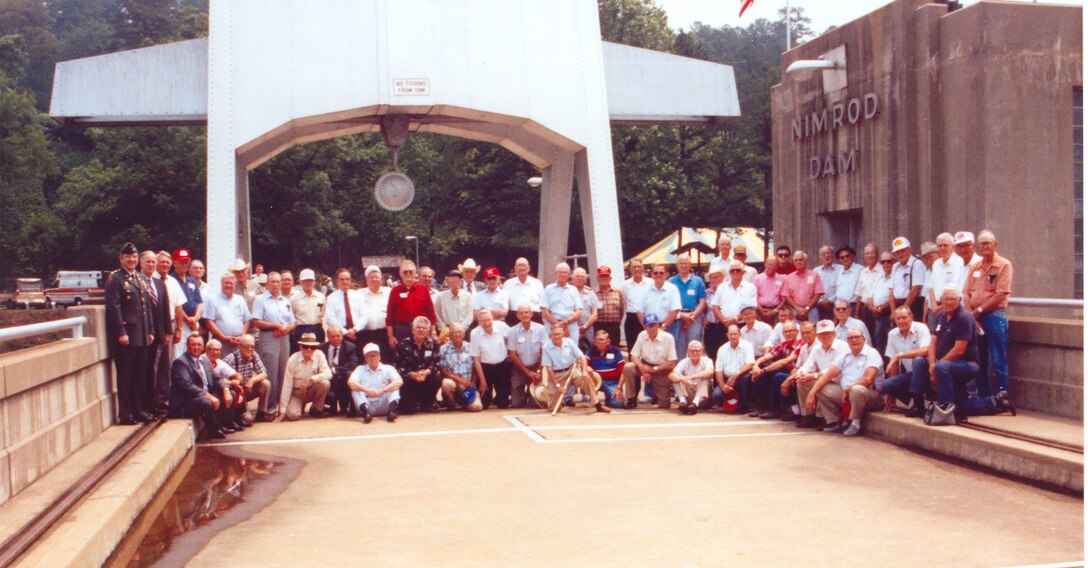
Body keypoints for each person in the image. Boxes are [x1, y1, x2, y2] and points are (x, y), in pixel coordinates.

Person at [930, 284, 997, 422]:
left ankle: (945, 411)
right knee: (920, 362)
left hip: (967, 364)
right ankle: (994, 402)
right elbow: (932, 343)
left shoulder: (964, 317)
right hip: (948, 363)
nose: (949, 302)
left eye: (952, 299)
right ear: (941, 300)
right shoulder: (941, 316)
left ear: (959, 299)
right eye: (946, 299)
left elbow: (959, 350)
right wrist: (931, 364)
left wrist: (937, 365)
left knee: (942, 367)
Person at [963, 230, 1014, 411]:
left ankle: (1002, 396)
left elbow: (1001, 294)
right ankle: (985, 398)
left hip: (994, 317)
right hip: (975, 319)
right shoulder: (975, 267)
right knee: (980, 359)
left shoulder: (1003, 265)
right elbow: (966, 292)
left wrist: (979, 311)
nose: (984, 246)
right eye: (981, 243)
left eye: (988, 243)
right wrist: (972, 315)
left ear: (995, 244)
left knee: (998, 358)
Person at [106, 243, 154, 424]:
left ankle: (139, 410)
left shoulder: (141, 278)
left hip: (141, 335)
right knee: (126, 376)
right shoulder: (115, 279)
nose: (132, 260)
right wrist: (120, 331)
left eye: (134, 257)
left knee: (140, 375)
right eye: (128, 257)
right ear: (121, 259)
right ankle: (126, 414)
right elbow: (114, 307)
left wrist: (150, 329)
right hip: (127, 336)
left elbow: (146, 306)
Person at [809, 328, 886, 436]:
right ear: (847, 341)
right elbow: (827, 376)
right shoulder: (844, 356)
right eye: (850, 338)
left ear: (864, 339)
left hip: (871, 395)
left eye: (857, 337)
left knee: (857, 390)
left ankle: (855, 423)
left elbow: (868, 380)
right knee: (820, 387)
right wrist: (812, 393)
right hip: (848, 394)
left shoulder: (872, 353)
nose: (854, 340)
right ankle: (836, 421)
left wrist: (848, 390)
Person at [252, 271, 295, 416]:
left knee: (283, 373)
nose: (276, 284)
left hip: (284, 338)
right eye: (273, 282)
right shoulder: (260, 299)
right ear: (268, 284)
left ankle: (280, 408)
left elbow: (293, 322)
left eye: (278, 282)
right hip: (269, 337)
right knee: (270, 374)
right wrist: (275, 326)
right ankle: (266, 409)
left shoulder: (285, 300)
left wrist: (287, 328)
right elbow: (256, 321)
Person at [541, 324, 610, 413]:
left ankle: (598, 405)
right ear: (550, 335)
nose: (556, 336)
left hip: (572, 370)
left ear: (562, 335)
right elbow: (549, 368)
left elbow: (582, 357)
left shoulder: (569, 342)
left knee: (587, 380)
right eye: (554, 334)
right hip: (556, 375)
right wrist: (557, 385)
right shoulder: (546, 347)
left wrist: (584, 371)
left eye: (558, 334)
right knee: (553, 408)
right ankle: (560, 402)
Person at [794, 320, 849, 430]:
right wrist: (801, 374)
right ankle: (809, 415)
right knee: (803, 381)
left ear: (834, 334)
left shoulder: (843, 347)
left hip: (842, 387)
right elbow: (808, 365)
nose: (825, 336)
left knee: (819, 386)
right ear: (817, 336)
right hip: (826, 383)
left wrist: (814, 376)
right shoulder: (817, 347)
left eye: (828, 333)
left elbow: (833, 371)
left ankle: (832, 420)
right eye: (822, 334)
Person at [169, 334, 227, 439]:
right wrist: (207, 395)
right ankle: (214, 430)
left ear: (203, 347)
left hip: (200, 396)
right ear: (187, 345)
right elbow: (187, 385)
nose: (196, 347)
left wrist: (226, 389)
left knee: (228, 393)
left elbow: (216, 378)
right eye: (193, 344)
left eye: (199, 345)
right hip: (184, 405)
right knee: (205, 402)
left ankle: (226, 422)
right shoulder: (180, 362)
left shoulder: (204, 360)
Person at [879, 307, 932, 418]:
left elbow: (926, 350)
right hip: (911, 375)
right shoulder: (892, 334)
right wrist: (891, 394)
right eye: (898, 318)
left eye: (904, 317)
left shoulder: (921, 328)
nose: (901, 321)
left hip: (928, 373)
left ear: (911, 317)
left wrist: (900, 355)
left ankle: (918, 404)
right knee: (886, 385)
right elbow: (893, 364)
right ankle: (918, 402)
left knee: (918, 360)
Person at [141, 251, 175, 417]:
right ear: (141, 264)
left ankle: (161, 401)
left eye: (153, 262)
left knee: (163, 368)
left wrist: (168, 331)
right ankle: (150, 402)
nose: (151, 265)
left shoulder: (159, 284)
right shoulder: (138, 282)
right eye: (148, 262)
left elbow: (166, 308)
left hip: (161, 334)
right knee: (149, 370)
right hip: (146, 334)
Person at [620, 313, 677, 409]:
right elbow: (634, 355)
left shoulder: (668, 338)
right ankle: (631, 398)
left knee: (664, 405)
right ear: (645, 327)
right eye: (649, 326)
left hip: (661, 368)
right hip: (645, 365)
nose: (652, 328)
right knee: (628, 367)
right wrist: (642, 367)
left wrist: (652, 369)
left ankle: (656, 395)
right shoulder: (642, 335)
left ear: (658, 325)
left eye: (654, 325)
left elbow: (671, 363)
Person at [750, 320, 804, 419]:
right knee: (762, 372)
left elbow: (785, 361)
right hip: (789, 371)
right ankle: (761, 407)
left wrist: (764, 370)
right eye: (786, 332)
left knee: (777, 376)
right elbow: (766, 356)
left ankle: (781, 410)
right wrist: (756, 366)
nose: (788, 333)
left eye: (791, 331)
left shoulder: (801, 344)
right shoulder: (784, 344)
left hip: (798, 373)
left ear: (797, 332)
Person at [273, 332, 332, 421]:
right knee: (292, 416)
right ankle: (299, 406)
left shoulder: (319, 354)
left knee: (325, 383)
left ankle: (316, 409)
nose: (309, 350)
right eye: (305, 346)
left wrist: (310, 378)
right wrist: (282, 410)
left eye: (312, 347)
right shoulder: (292, 360)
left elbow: (328, 373)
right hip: (296, 393)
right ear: (300, 347)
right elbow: (287, 385)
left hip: (311, 389)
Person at [395, 316, 442, 414]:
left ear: (428, 330)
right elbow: (398, 366)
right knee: (409, 410)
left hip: (426, 378)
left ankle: (427, 404)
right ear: (413, 329)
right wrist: (411, 374)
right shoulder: (403, 344)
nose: (421, 330)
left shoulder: (433, 344)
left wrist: (426, 372)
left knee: (436, 378)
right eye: (418, 327)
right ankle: (410, 403)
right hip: (409, 380)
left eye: (424, 328)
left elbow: (437, 364)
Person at [386, 260, 438, 348]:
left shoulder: (423, 290)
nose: (408, 274)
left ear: (415, 273)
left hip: (421, 330)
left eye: (410, 272)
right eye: (405, 272)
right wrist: (390, 336)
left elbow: (431, 313)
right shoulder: (394, 291)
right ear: (400, 274)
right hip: (401, 331)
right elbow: (389, 315)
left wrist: (433, 332)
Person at [223, 334, 272, 422]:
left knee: (266, 384)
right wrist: (231, 383)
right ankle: (238, 413)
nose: (250, 349)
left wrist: (252, 380)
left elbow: (264, 373)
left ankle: (261, 413)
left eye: (252, 347)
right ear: (240, 346)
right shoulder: (230, 359)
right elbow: (219, 379)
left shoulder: (253, 354)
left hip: (247, 389)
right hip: (236, 393)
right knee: (248, 420)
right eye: (247, 346)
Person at [202, 339, 248, 432]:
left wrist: (236, 381)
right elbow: (213, 380)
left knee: (235, 390)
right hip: (206, 390)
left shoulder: (219, 362)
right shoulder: (202, 360)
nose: (215, 352)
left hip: (218, 387)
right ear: (206, 350)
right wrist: (230, 383)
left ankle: (234, 418)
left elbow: (237, 375)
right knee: (228, 392)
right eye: (212, 349)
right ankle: (223, 422)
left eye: (217, 350)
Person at [203, 272, 253, 359]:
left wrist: (241, 336)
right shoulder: (212, 299)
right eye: (226, 283)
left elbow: (247, 320)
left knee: (238, 369)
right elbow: (209, 322)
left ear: (235, 284)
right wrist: (223, 337)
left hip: (239, 343)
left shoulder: (240, 299)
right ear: (221, 284)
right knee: (221, 368)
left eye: (231, 283)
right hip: (220, 343)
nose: (228, 285)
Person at [348, 343, 402, 423]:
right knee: (355, 390)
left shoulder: (388, 368)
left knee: (394, 387)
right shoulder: (360, 369)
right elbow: (350, 382)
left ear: (379, 357)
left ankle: (391, 412)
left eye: (375, 355)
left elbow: (399, 381)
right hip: (367, 402)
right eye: (369, 356)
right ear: (365, 359)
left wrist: (383, 390)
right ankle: (366, 413)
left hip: (383, 403)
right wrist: (367, 390)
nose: (372, 358)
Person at [507, 305, 547, 408]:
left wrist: (538, 372)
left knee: (535, 405)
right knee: (516, 404)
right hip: (519, 367)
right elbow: (512, 355)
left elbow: (543, 352)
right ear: (517, 316)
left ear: (531, 314)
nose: (524, 315)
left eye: (526, 312)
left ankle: (531, 394)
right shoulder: (512, 331)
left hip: (536, 366)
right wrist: (527, 372)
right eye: (521, 313)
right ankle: (524, 395)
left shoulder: (541, 329)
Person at [667, 253, 707, 359]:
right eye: (681, 263)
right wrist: (681, 315)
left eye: (686, 263)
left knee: (695, 347)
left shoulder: (698, 280)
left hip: (694, 317)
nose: (683, 265)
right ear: (677, 265)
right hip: (677, 318)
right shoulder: (670, 282)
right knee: (678, 348)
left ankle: (695, 373)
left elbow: (702, 301)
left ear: (690, 265)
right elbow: (667, 304)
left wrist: (692, 316)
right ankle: (678, 373)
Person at [470, 310, 512, 409]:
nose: (487, 323)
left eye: (489, 320)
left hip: (501, 367)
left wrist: (511, 352)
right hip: (485, 368)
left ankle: (500, 397)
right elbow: (476, 359)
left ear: (493, 319)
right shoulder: (474, 333)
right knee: (484, 405)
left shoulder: (502, 326)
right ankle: (489, 397)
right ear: (479, 322)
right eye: (483, 321)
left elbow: (513, 336)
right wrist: (483, 382)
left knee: (503, 404)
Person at [169, 248, 204, 360]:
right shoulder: (171, 280)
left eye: (186, 261)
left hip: (193, 322)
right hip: (181, 323)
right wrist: (188, 319)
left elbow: (199, 302)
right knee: (178, 354)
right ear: (174, 263)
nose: (184, 264)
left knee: (194, 353)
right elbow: (176, 304)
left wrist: (196, 318)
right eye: (181, 262)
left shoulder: (191, 280)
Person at [712, 324, 755, 414]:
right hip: (727, 379)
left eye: (735, 334)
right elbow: (718, 371)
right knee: (716, 396)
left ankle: (744, 406)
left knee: (746, 378)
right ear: (727, 335)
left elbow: (750, 364)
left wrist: (736, 375)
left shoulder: (747, 345)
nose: (733, 336)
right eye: (731, 334)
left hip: (742, 378)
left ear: (740, 334)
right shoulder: (722, 349)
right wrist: (723, 386)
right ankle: (734, 402)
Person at [439, 324, 482, 412]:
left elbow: (475, 367)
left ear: (463, 334)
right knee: (446, 384)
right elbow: (443, 371)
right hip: (453, 382)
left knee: (477, 407)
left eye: (459, 332)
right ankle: (451, 404)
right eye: (454, 333)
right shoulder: (443, 349)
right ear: (450, 335)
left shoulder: (470, 347)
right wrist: (459, 380)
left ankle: (464, 402)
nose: (457, 335)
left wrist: (473, 382)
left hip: (467, 384)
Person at [926, 233, 963, 330]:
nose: (942, 248)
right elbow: (931, 287)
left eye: (945, 245)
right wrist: (934, 306)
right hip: (933, 310)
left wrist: (940, 308)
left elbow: (955, 290)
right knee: (933, 339)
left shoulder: (959, 263)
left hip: (949, 309)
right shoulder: (936, 264)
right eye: (939, 245)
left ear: (953, 247)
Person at [325, 268, 367, 354]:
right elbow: (330, 319)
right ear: (337, 281)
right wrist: (346, 332)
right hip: (341, 335)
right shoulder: (331, 298)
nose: (345, 281)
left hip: (358, 333)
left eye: (347, 279)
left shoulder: (358, 295)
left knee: (360, 359)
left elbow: (364, 316)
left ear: (350, 280)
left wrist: (354, 330)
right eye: (342, 279)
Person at [321, 326, 359, 416]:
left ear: (342, 336)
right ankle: (330, 406)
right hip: (327, 378)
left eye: (338, 336)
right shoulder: (321, 348)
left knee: (350, 374)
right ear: (328, 337)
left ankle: (347, 406)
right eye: (332, 336)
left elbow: (353, 365)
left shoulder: (350, 346)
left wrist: (335, 370)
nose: (335, 338)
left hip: (342, 378)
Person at [541, 262, 584, 340]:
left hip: (570, 326)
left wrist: (566, 323)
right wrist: (559, 326)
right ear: (555, 273)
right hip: (552, 325)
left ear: (568, 275)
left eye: (565, 272)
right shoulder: (548, 289)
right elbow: (544, 312)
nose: (562, 274)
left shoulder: (573, 290)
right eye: (560, 272)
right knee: (552, 350)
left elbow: (579, 312)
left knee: (570, 351)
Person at [670, 340, 714, 415]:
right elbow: (672, 374)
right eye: (692, 350)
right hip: (690, 394)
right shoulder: (684, 361)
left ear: (702, 351)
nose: (695, 353)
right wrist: (682, 379)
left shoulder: (707, 360)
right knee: (676, 378)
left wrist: (692, 377)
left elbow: (710, 372)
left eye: (697, 350)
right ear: (688, 352)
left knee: (705, 378)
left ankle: (695, 404)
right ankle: (683, 402)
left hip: (704, 397)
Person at [710, 260, 756, 329]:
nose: (735, 272)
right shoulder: (722, 287)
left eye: (738, 270)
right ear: (729, 273)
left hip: (742, 325)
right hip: (723, 325)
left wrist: (735, 319)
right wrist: (724, 320)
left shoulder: (750, 287)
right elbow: (715, 306)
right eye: (732, 270)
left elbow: (750, 307)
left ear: (743, 272)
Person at [358, 265, 392, 360]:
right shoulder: (359, 294)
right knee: (366, 360)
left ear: (381, 279)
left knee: (384, 359)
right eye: (371, 277)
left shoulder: (389, 292)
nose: (374, 279)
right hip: (365, 334)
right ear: (366, 279)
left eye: (376, 277)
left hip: (383, 334)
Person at [587, 329, 625, 409]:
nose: (600, 342)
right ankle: (592, 397)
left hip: (611, 382)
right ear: (594, 341)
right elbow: (584, 364)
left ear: (608, 341)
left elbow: (623, 371)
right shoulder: (590, 350)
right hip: (595, 381)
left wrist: (619, 388)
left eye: (602, 340)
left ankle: (609, 399)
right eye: (598, 340)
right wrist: (587, 367)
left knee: (618, 404)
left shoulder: (616, 350)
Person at [890, 237, 926, 322]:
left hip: (913, 306)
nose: (900, 254)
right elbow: (891, 291)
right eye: (897, 252)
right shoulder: (895, 266)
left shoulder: (917, 264)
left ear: (910, 250)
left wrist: (904, 309)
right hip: (898, 307)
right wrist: (893, 312)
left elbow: (915, 290)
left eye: (903, 251)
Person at [621, 259, 652, 356]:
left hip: (647, 317)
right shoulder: (625, 285)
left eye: (639, 266)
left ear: (643, 268)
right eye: (634, 267)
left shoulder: (651, 283)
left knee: (648, 346)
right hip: (632, 319)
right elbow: (624, 301)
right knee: (632, 348)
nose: (637, 269)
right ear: (630, 270)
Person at [290, 268, 326, 352]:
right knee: (301, 355)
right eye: (305, 281)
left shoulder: (321, 297)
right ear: (300, 282)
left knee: (319, 354)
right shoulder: (294, 298)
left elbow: (324, 314)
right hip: (301, 330)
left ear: (314, 281)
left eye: (310, 280)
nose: (308, 283)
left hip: (318, 329)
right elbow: (292, 317)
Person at [868, 252, 896, 356]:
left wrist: (881, 308)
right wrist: (872, 308)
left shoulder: (896, 277)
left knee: (890, 344)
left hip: (889, 314)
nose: (886, 264)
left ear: (894, 262)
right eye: (883, 262)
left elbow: (894, 297)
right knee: (879, 342)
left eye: (889, 261)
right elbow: (870, 296)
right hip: (877, 316)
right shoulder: (879, 277)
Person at [503, 257, 545, 326]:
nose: (522, 268)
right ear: (515, 269)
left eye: (524, 265)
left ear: (528, 268)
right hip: (513, 319)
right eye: (519, 265)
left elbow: (543, 304)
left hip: (534, 318)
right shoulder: (508, 284)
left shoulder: (537, 283)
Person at [784, 250, 823, 322]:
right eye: (796, 260)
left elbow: (817, 294)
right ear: (794, 263)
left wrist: (807, 308)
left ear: (806, 261)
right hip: (795, 310)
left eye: (800, 260)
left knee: (813, 331)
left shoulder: (815, 275)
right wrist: (797, 308)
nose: (798, 262)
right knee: (795, 331)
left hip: (811, 310)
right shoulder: (789, 277)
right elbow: (787, 296)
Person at [435, 269, 474, 340]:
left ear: (461, 282)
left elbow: (470, 315)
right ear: (447, 282)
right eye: (452, 282)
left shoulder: (467, 296)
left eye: (457, 282)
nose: (455, 284)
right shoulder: (441, 296)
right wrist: (444, 328)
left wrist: (460, 329)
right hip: (446, 332)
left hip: (463, 331)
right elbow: (437, 314)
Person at [853, 243, 881, 341]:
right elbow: (859, 296)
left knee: (879, 336)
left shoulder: (883, 270)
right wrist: (857, 314)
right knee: (867, 336)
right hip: (865, 309)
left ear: (877, 254)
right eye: (867, 253)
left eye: (872, 253)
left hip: (879, 309)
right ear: (864, 256)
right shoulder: (863, 272)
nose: (870, 256)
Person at [594, 265, 624, 348]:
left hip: (613, 326)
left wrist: (616, 322)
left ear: (610, 278)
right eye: (601, 276)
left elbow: (621, 310)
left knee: (614, 348)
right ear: (597, 278)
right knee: (599, 349)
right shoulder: (593, 293)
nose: (604, 278)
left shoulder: (618, 292)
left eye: (606, 276)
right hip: (599, 325)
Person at [572, 267, 601, 348]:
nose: (580, 278)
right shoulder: (568, 293)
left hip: (588, 329)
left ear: (585, 279)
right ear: (573, 278)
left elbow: (595, 314)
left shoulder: (591, 294)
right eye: (577, 276)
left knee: (588, 350)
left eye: (582, 276)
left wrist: (585, 326)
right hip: (571, 329)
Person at [702, 267, 728, 360]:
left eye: (718, 277)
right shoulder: (706, 293)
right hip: (710, 326)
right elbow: (703, 307)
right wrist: (703, 316)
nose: (715, 279)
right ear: (710, 279)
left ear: (723, 278)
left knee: (724, 352)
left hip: (724, 325)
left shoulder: (727, 292)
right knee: (711, 352)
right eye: (713, 277)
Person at [754, 256, 786, 325]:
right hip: (760, 311)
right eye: (770, 264)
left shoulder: (782, 279)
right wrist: (762, 312)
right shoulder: (757, 278)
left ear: (778, 266)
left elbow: (784, 299)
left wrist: (775, 311)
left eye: (775, 265)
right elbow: (754, 297)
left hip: (776, 311)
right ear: (765, 264)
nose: (772, 267)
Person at [813, 245, 843, 320]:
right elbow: (813, 289)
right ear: (820, 256)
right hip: (819, 305)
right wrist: (821, 301)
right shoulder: (816, 271)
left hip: (836, 305)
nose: (827, 256)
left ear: (833, 255)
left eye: (829, 253)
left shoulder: (841, 269)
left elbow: (842, 288)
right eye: (824, 254)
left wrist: (830, 301)